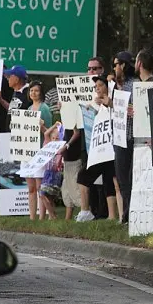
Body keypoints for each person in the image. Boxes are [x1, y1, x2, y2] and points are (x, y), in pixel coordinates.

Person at [75, 74, 119, 222]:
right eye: (96, 87)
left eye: (100, 85)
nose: (97, 89)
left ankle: (91, 212)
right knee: (107, 180)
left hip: (110, 149)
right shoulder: (98, 106)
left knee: (105, 180)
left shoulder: (112, 102)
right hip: (101, 150)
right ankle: (111, 216)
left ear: (108, 86)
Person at [111, 51, 137, 224]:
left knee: (127, 178)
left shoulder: (133, 85)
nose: (114, 68)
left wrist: (130, 110)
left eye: (116, 64)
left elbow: (136, 109)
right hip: (118, 137)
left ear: (124, 66)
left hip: (129, 137)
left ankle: (129, 215)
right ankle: (126, 214)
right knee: (120, 178)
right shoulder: (116, 86)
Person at [27, 81, 52, 220]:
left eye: (36, 91)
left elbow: (50, 132)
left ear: (41, 92)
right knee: (30, 186)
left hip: (40, 149)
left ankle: (42, 216)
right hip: (28, 151)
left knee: (39, 186)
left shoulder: (45, 108)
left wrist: (42, 126)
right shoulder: (29, 109)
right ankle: (32, 217)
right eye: (31, 90)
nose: (33, 93)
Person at [39, 122, 65, 220]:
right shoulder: (48, 145)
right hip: (47, 172)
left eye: (57, 138)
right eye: (53, 138)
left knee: (45, 194)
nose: (54, 140)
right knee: (45, 195)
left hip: (55, 174)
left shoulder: (61, 147)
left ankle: (52, 215)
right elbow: (46, 134)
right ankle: (52, 215)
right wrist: (54, 126)